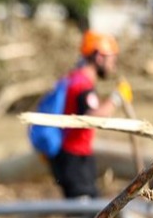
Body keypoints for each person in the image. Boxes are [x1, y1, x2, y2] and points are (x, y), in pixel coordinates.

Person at [48, 31, 132, 199]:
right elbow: (94, 118)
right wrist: (117, 97)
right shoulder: (82, 84)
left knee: (90, 206)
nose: (113, 66)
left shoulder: (74, 78)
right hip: (73, 158)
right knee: (85, 210)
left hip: (76, 157)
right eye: (112, 59)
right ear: (99, 57)